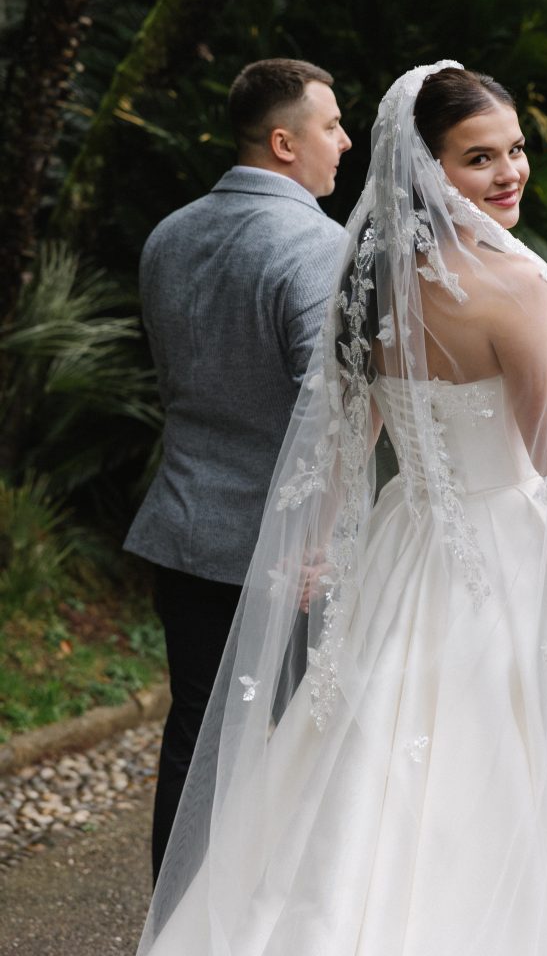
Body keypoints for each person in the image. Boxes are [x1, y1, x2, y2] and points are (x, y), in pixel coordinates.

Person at [137, 60, 547, 956]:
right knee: (500, 784)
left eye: (515, 149)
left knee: (358, 771)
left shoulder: (370, 278)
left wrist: (322, 538)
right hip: (507, 554)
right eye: (479, 158)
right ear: (428, 169)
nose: (509, 172)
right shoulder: (516, 284)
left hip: (402, 546)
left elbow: (348, 432)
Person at [124, 57, 351, 881]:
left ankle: (176, 921)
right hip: (286, 556)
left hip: (184, 532)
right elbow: (329, 410)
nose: (344, 142)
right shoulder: (317, 246)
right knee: (311, 748)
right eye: (331, 126)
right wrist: (329, 538)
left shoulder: (169, 234)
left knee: (197, 743)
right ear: (285, 142)